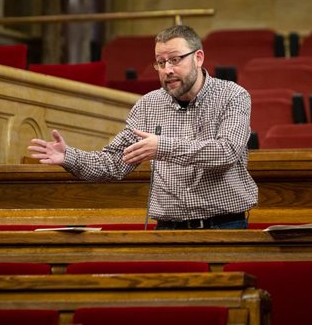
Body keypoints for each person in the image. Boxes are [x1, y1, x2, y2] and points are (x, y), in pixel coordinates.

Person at [28, 24, 258, 229]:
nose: (167, 70)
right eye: (160, 62)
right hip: (168, 231)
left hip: (225, 225)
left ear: (198, 58)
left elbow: (226, 152)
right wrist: (69, 157)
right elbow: (113, 164)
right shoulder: (148, 105)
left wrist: (162, 147)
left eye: (175, 60)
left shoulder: (232, 96)